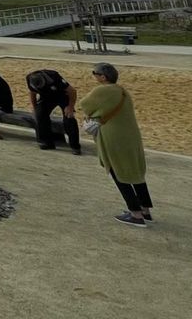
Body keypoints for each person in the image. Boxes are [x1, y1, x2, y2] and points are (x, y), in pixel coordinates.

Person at [78, 62, 152, 228]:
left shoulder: (103, 90)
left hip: (115, 137)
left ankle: (135, 214)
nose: (94, 76)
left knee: (118, 172)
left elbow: (85, 105)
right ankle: (145, 209)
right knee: (135, 172)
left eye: (95, 73)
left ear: (103, 77)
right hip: (131, 136)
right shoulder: (122, 91)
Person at [26, 69, 82, 154]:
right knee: (40, 114)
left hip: (62, 95)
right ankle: (46, 142)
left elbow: (72, 91)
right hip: (46, 97)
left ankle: (75, 146)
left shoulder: (53, 76)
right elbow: (32, 93)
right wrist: (35, 108)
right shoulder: (29, 79)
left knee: (69, 117)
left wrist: (70, 107)